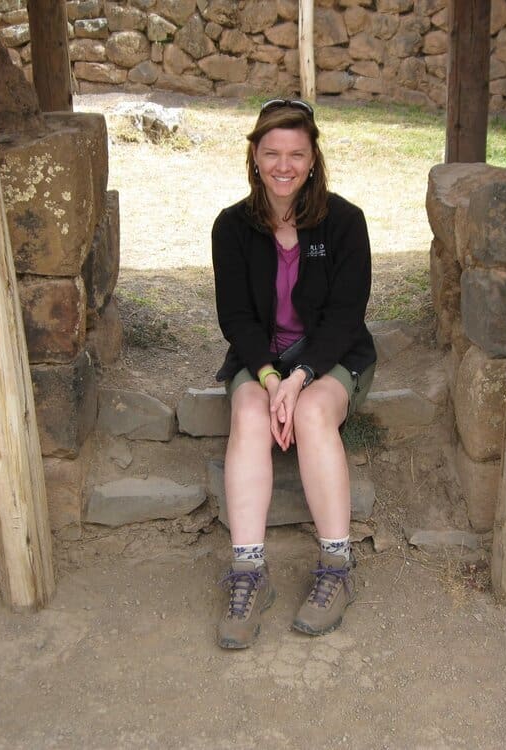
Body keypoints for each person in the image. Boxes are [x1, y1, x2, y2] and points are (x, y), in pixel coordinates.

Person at [210, 98, 377, 649]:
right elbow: (235, 317)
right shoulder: (231, 226)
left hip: (330, 355)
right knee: (249, 417)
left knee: (311, 414)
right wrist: (267, 377)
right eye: (272, 153)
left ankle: (335, 567)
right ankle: (249, 573)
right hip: (261, 359)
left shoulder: (345, 222)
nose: (284, 165)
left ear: (312, 159)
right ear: (255, 156)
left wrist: (301, 375)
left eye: (296, 154)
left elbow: (345, 316)